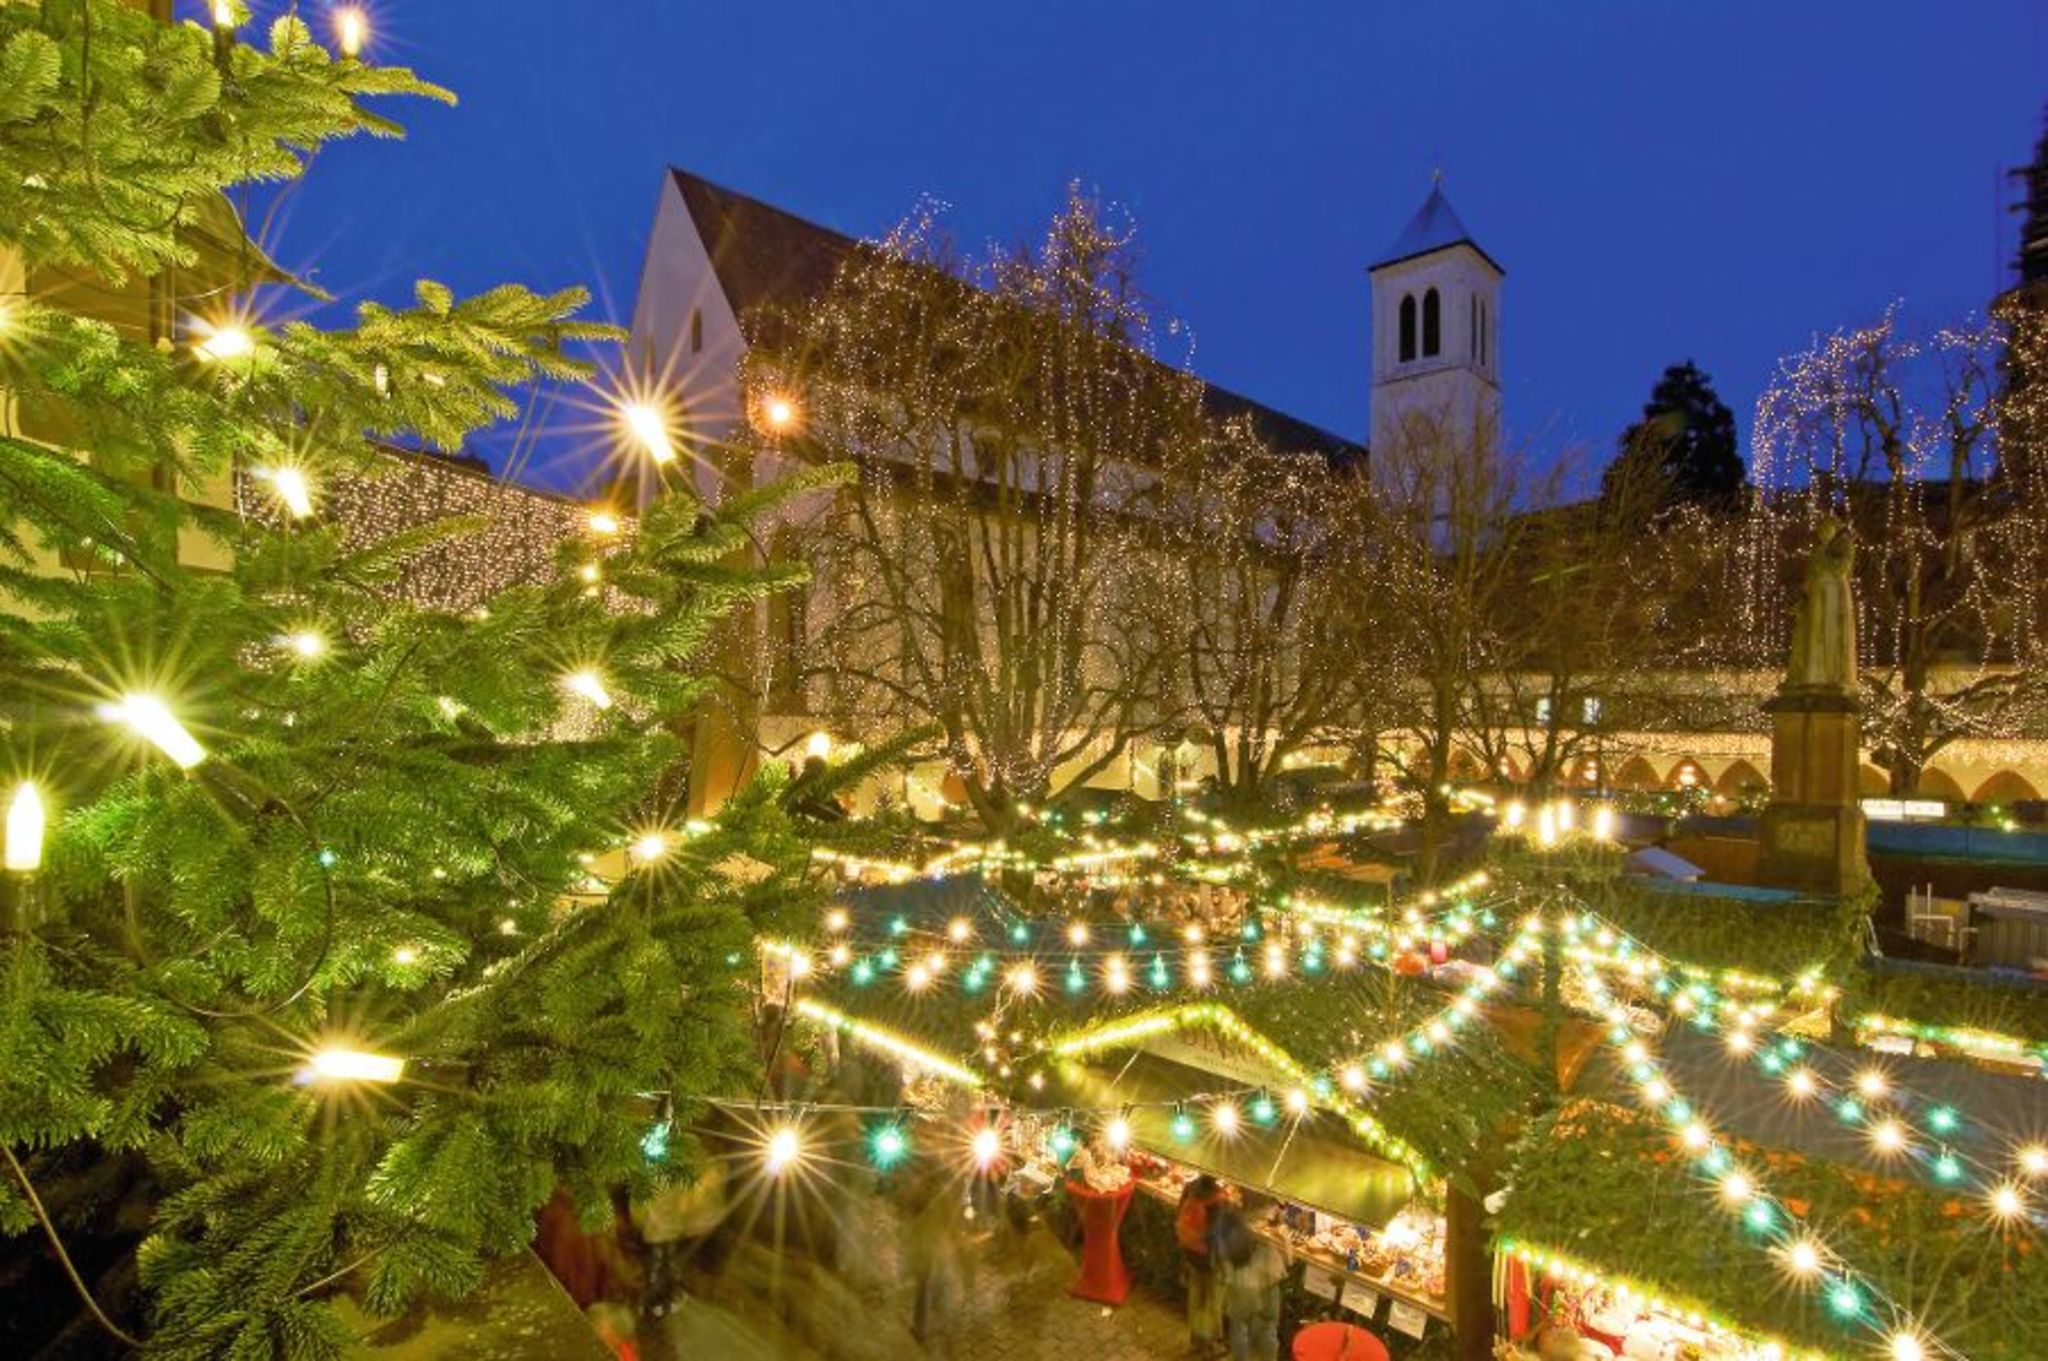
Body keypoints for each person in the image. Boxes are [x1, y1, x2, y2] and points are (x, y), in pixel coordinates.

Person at [1214, 1207, 1289, 1361]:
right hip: (1269, 1283)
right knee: (1268, 1327)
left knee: (1239, 1326)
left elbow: (1219, 1260)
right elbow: (1288, 1259)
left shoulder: (1228, 1224)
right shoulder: (1266, 1231)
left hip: (1240, 1284)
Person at [1176, 1174, 1227, 1357]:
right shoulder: (1216, 1199)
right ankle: (1210, 1346)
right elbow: (1216, 1234)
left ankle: (1195, 1341)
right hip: (1208, 1257)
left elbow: (1179, 1213)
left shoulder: (1190, 1187)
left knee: (1196, 1297)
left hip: (1190, 1253)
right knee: (1211, 1301)